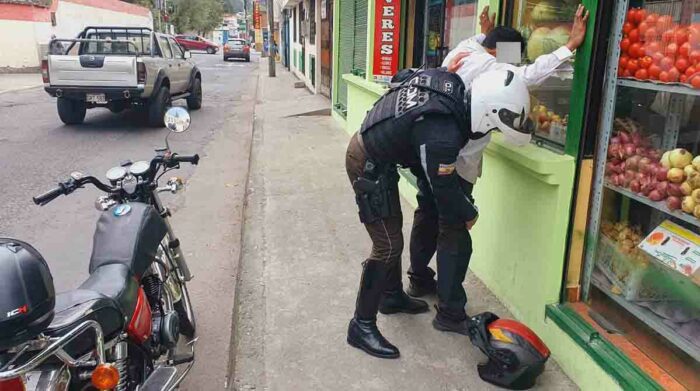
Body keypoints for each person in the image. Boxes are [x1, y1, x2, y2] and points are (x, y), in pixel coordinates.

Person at [346, 67, 533, 358]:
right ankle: (361, 325)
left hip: (380, 159)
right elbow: (444, 190)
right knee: (387, 244)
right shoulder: (443, 134)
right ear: (487, 113)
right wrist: (469, 212)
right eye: (494, 126)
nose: (491, 132)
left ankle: (392, 296)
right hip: (366, 161)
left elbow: (402, 78)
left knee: (392, 231)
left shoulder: (452, 87)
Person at [406, 5, 590, 300]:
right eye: (510, 56)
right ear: (497, 52)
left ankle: (418, 278)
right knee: (454, 228)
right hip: (459, 161)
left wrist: (487, 31)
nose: (512, 63)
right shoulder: (491, 65)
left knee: (426, 213)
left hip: (431, 151)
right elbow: (527, 75)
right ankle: (449, 305)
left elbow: (490, 45)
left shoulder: (466, 48)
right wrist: (568, 46)